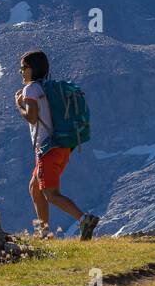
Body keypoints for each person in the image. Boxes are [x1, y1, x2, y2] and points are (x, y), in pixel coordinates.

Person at [15, 49, 100, 240]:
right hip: (61, 147)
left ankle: (84, 219)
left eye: (23, 68)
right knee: (34, 189)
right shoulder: (47, 87)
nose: (21, 72)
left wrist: (18, 105)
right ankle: (43, 233)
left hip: (47, 150)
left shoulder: (31, 89)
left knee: (51, 194)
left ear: (31, 69)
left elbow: (31, 117)